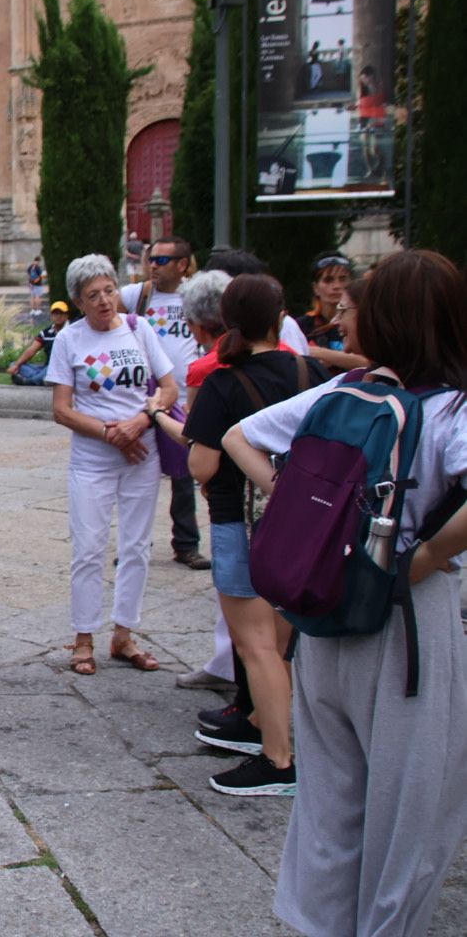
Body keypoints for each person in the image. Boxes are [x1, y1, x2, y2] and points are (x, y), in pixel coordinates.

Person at [224, 250, 467, 935]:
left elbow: (241, 437)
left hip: (324, 616)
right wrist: (419, 559)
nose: (339, 312)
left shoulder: (342, 395)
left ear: (391, 317)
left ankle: (315, 924)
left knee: (329, 799)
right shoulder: (450, 408)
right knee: (412, 811)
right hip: (403, 628)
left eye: (354, 304)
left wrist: (313, 519)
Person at [155, 274, 328, 797]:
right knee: (280, 639)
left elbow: (202, 465)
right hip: (303, 521)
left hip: (243, 523)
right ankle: (258, 725)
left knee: (255, 646)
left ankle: (279, 759)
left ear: (227, 323)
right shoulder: (311, 371)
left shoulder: (225, 385)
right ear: (280, 319)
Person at [45, 253, 176, 675]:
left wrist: (140, 421)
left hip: (142, 451)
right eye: (92, 295)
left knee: (137, 545)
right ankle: (83, 636)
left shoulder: (139, 329)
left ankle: (124, 634)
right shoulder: (70, 340)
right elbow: (62, 410)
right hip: (94, 459)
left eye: (109, 291)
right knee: (88, 547)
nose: (104, 301)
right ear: (79, 302)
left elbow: (171, 388)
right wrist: (110, 433)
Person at [165, 271, 243, 694]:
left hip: (230, 493)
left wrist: (158, 415)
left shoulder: (206, 369)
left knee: (234, 589)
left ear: (197, 323)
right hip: (276, 488)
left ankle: (233, 669)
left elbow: (197, 446)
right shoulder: (286, 355)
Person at [119, 235, 207, 571]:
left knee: (184, 476)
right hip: (141, 399)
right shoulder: (137, 295)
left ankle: (186, 544)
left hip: (183, 399)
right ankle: (134, 543)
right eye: (150, 259)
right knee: (137, 477)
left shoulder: (193, 295)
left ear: (182, 265)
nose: (153, 265)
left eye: (161, 260)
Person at [298, 251, 366, 373]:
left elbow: (370, 363)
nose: (336, 286)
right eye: (328, 280)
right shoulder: (301, 326)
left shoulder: (360, 323)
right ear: (315, 288)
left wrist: (323, 354)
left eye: (343, 279)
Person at [8, 302, 70, 386]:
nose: (58, 316)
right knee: (14, 364)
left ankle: (28, 382)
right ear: (51, 316)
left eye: (61, 313)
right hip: (46, 368)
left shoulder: (72, 331)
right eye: (55, 313)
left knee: (52, 368)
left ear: (66, 315)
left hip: (62, 368)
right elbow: (31, 350)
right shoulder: (46, 332)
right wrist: (16, 365)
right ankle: (41, 380)